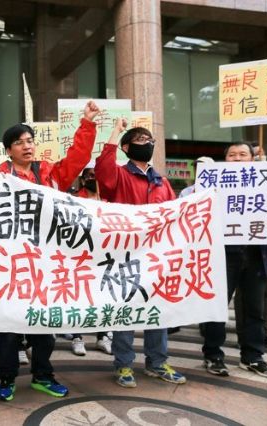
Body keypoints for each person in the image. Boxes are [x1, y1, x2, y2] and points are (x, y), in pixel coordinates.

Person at [0, 100, 100, 401]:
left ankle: (43, 375)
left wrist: (87, 123)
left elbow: (77, 159)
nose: (27, 146)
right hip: (10, 264)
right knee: (10, 327)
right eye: (19, 142)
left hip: (44, 263)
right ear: (8, 150)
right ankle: (6, 379)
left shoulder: (50, 173)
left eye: (30, 141)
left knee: (43, 324)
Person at [94, 119, 187, 388]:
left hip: (156, 258)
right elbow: (103, 169)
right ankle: (124, 365)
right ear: (126, 147)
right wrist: (113, 132)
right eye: (141, 140)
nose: (148, 144)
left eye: (150, 140)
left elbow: (175, 216)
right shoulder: (119, 175)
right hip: (124, 256)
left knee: (156, 311)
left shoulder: (162, 182)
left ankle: (157, 362)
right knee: (125, 312)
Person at [200, 142, 267, 379]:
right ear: (225, 160)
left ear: (253, 159)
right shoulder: (212, 186)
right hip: (223, 254)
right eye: (232, 155)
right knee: (217, 308)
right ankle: (213, 354)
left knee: (256, 309)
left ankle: (253, 357)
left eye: (243, 154)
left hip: (257, 254)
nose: (237, 158)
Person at [69, 168, 113, 356]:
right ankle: (77, 338)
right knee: (79, 296)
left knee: (103, 297)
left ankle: (103, 336)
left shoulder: (110, 200)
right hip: (80, 255)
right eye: (88, 176)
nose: (92, 179)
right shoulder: (73, 198)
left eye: (96, 175)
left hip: (104, 256)